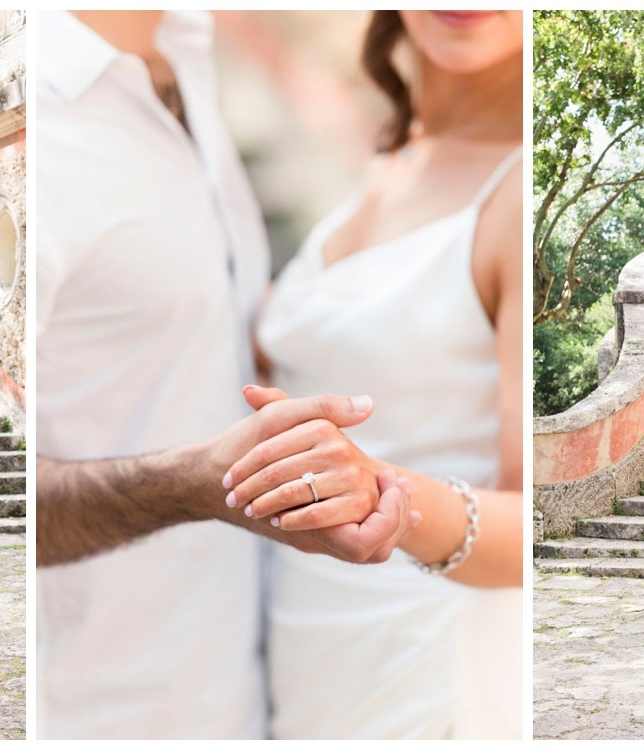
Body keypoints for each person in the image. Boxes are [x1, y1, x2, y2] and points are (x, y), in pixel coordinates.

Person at [35, 11, 416, 739]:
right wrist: (196, 482)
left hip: (252, 684)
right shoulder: (38, 119)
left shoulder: (185, 50)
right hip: (102, 710)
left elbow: (189, 328)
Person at [221, 9, 523, 738]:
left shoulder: (516, 186)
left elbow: (527, 524)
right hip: (300, 637)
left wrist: (378, 487)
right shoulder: (394, 150)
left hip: (426, 649)